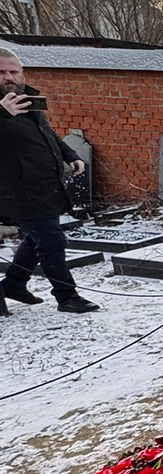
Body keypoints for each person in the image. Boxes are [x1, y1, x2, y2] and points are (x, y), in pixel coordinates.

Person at [0, 47, 99, 313]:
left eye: (13, 71)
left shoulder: (28, 97)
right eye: (1, 72)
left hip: (45, 184)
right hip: (16, 190)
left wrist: (69, 154)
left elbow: (47, 133)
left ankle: (13, 284)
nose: (8, 77)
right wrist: (3, 114)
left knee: (36, 239)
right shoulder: (4, 107)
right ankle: (66, 296)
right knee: (52, 240)